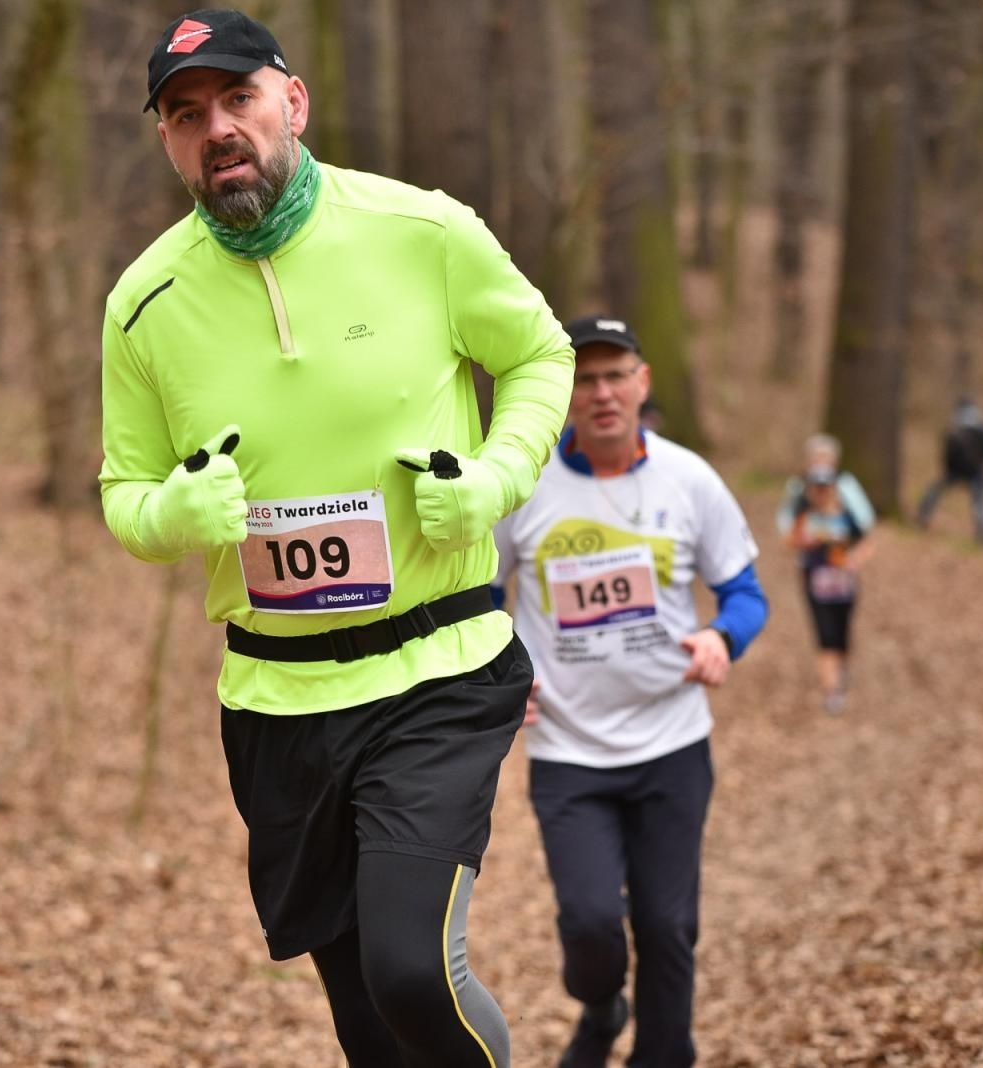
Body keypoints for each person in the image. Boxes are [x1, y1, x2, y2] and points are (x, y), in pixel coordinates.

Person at [99, 10, 574, 1066]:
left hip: (435, 668)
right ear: (168, 141)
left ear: (292, 103)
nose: (216, 128)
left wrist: (494, 479)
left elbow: (542, 356)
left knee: (413, 968)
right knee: (368, 1013)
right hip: (277, 702)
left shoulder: (424, 232)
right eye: (186, 115)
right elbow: (123, 493)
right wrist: (173, 514)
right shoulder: (143, 304)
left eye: (237, 100)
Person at [491, 316, 769, 1068]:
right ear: (565, 392)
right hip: (567, 748)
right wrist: (498, 675)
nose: (602, 393)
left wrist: (722, 638)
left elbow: (745, 593)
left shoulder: (688, 480)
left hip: (672, 743)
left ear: (644, 384)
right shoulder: (525, 482)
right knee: (588, 923)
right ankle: (600, 1003)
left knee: (668, 925)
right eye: (585, 379)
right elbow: (480, 596)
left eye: (617, 376)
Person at [775, 435, 875, 713]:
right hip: (814, 574)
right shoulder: (798, 495)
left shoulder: (846, 489)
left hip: (843, 578)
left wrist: (854, 557)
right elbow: (786, 530)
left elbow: (864, 528)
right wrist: (801, 539)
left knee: (842, 631)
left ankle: (840, 670)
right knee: (825, 633)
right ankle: (831, 690)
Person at [916, 396, 983, 544]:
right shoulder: (982, 427)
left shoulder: (955, 426)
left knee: (934, 491)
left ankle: (923, 517)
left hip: (956, 470)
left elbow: (947, 452)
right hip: (976, 471)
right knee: (980, 503)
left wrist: (949, 469)